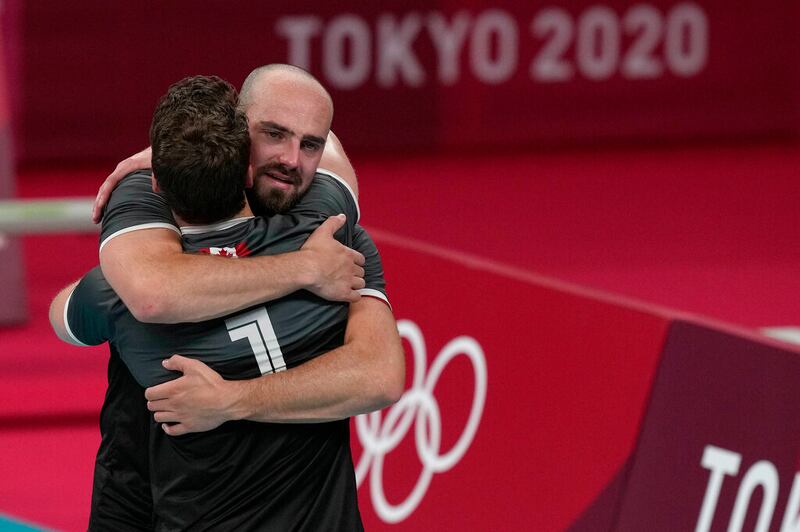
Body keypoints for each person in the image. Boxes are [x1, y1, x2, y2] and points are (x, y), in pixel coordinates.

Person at [51, 75, 404, 530]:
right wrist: (305, 268)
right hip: (139, 482)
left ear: (161, 179)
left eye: (306, 145)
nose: (291, 160)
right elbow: (155, 293)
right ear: (243, 152)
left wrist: (230, 400)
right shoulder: (332, 238)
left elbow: (74, 311)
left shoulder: (123, 260)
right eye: (274, 135)